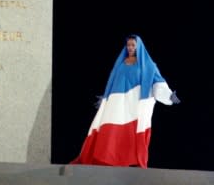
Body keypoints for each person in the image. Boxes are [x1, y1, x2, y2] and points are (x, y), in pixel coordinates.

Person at [70, 34, 180, 168]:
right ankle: (110, 161)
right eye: (128, 45)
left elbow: (157, 83)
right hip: (117, 105)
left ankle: (129, 165)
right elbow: (112, 83)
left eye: (133, 45)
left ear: (139, 46)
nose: (130, 47)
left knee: (131, 135)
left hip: (135, 107)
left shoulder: (148, 66)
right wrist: (106, 98)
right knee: (112, 133)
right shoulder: (120, 65)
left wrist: (168, 96)